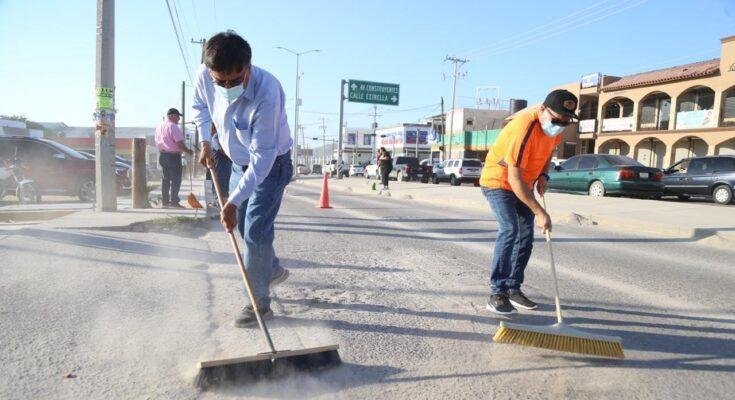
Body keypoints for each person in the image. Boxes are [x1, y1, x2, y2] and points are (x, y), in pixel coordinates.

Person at [193, 31, 293, 328]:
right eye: (220, 82)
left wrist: (233, 201)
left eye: (234, 81)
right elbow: (200, 108)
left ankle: (258, 304)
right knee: (243, 226)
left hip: (271, 166)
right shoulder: (204, 76)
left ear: (248, 67)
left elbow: (262, 159)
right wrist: (205, 142)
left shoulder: (267, 92)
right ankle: (270, 268)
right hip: (238, 162)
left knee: (256, 231)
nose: (227, 88)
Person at [479, 89, 578, 315]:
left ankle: (513, 289)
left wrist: (543, 175)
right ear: (542, 109)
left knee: (525, 236)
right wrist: (540, 212)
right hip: (499, 182)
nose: (560, 125)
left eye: (565, 122)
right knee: (510, 229)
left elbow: (548, 152)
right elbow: (513, 178)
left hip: (524, 183)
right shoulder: (522, 128)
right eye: (556, 120)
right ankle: (497, 293)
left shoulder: (553, 129)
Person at [154, 108, 193, 208]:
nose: (179, 119)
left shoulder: (159, 126)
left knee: (165, 179)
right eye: (178, 116)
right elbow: (179, 143)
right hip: (173, 156)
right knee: (176, 179)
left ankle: (165, 202)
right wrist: (188, 151)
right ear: (172, 116)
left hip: (162, 155)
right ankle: (174, 202)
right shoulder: (173, 126)